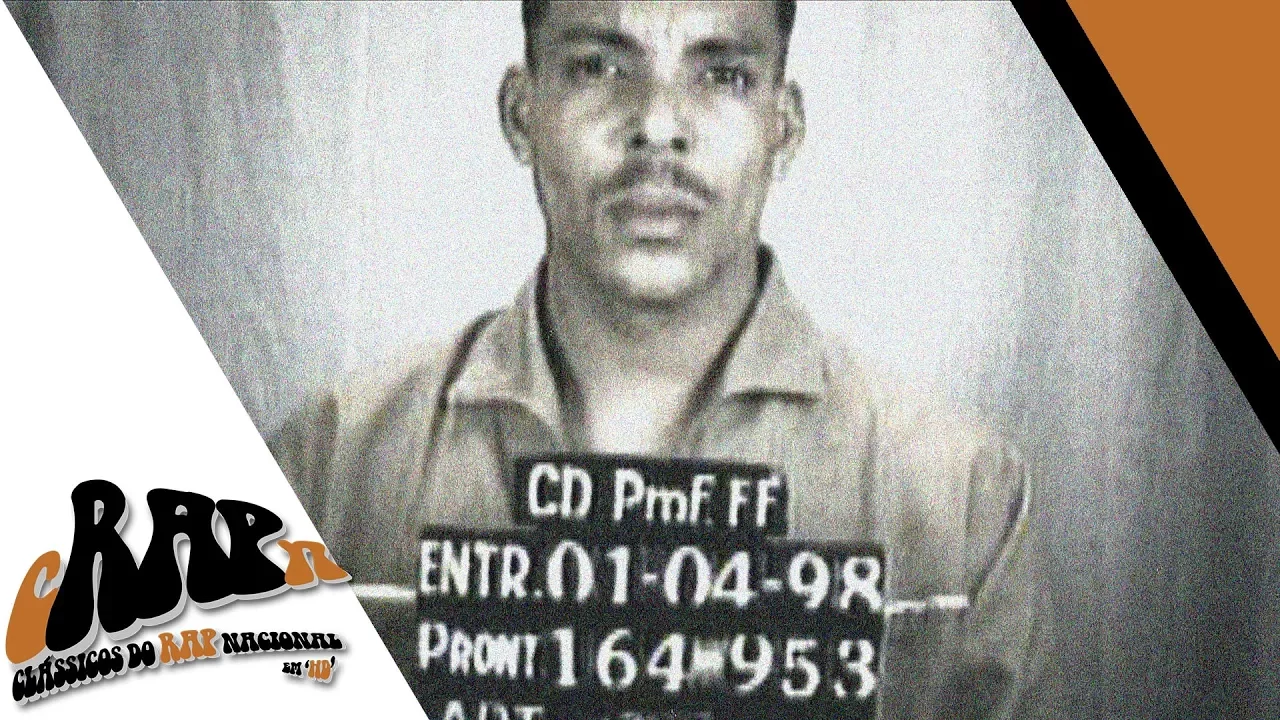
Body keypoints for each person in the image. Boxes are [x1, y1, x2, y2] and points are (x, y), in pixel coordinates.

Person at [270, 2, 1058, 718]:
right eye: (597, 66)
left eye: (722, 74)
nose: (656, 124)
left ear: (783, 128)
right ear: (521, 112)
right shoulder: (325, 473)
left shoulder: (960, 505)